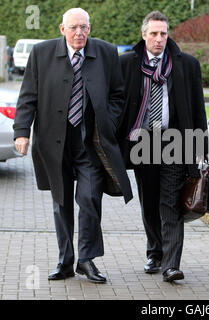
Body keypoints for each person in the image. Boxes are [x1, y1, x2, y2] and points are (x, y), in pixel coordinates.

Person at [13, 8, 133, 283]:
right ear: (62, 29)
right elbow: (28, 96)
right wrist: (22, 131)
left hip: (90, 142)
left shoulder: (105, 52)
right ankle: (65, 261)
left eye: (84, 27)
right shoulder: (42, 54)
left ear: (90, 28)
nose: (79, 33)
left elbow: (118, 95)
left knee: (90, 198)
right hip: (54, 143)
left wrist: (108, 122)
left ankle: (87, 259)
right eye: (74, 28)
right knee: (61, 203)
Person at [118, 11, 208, 282]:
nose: (159, 39)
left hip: (175, 140)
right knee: (149, 201)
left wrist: (201, 145)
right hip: (143, 141)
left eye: (163, 34)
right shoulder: (127, 64)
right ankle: (155, 252)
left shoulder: (186, 64)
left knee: (170, 202)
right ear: (144, 35)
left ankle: (171, 264)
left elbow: (198, 108)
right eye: (154, 34)